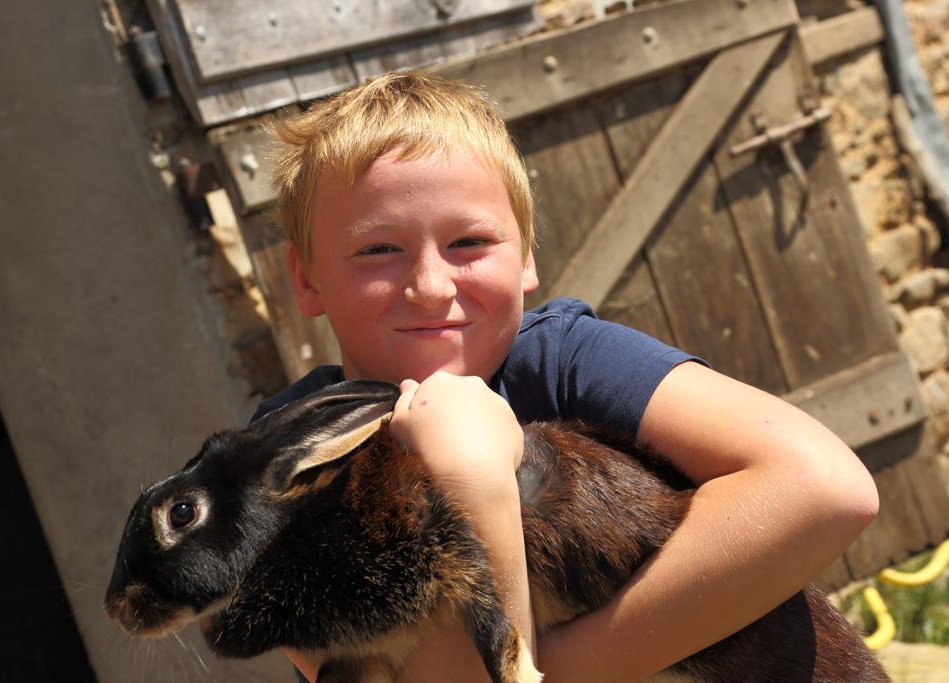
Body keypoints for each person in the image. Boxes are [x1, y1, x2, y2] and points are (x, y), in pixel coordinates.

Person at [252, 70, 880, 682]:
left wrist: (553, 670)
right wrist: (470, 473)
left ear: (526, 256)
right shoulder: (278, 464)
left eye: (469, 242)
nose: (430, 287)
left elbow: (826, 488)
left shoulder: (563, 359)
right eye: (377, 250)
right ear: (305, 278)